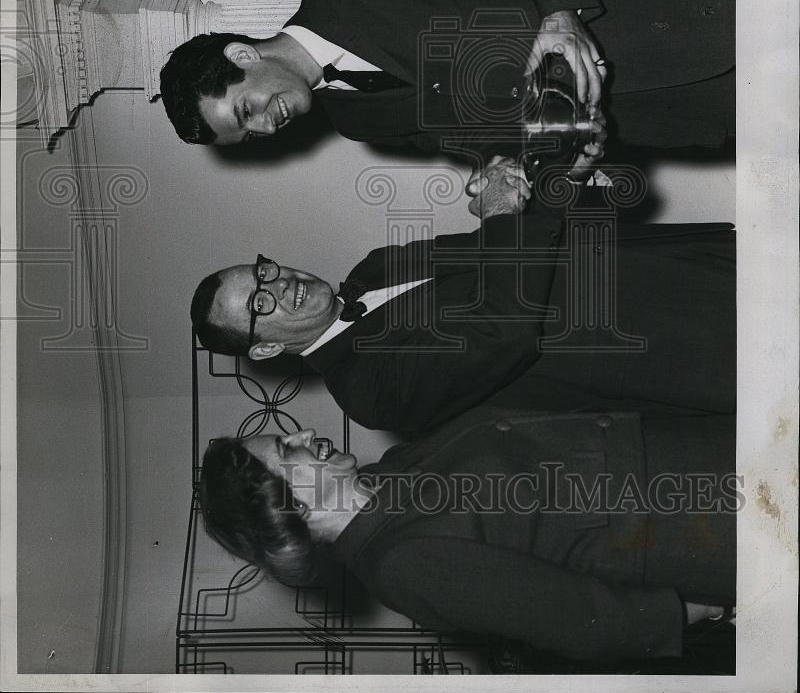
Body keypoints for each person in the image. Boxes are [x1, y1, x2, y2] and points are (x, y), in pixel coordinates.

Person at [160, 0, 734, 180]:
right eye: (249, 136)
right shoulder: (359, 123)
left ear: (243, 56)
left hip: (671, 11)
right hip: (674, 111)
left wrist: (559, 14)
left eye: (246, 111)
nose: (266, 128)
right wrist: (520, 166)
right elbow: (503, 135)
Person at [190, 157, 735, 435]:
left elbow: (506, 244)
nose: (278, 284)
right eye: (260, 303)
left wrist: (555, 179)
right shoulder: (365, 393)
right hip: (664, 347)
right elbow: (503, 329)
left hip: (661, 262)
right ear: (266, 348)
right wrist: (499, 214)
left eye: (262, 272)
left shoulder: (373, 266)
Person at [198, 408, 737, 665]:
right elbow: (570, 616)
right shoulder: (400, 565)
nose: (305, 432)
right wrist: (686, 610)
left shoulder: (393, 469)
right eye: (287, 449)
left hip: (674, 453)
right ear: (295, 508)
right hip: (683, 528)